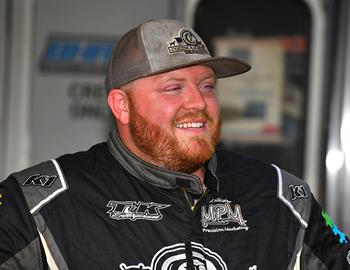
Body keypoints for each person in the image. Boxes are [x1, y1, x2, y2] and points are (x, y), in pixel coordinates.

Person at [0, 19, 349, 270]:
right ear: (122, 106)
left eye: (208, 86)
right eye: (174, 87)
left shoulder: (281, 196)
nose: (199, 102)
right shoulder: (37, 202)